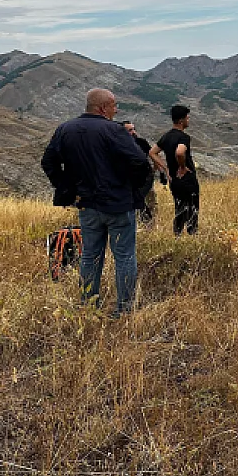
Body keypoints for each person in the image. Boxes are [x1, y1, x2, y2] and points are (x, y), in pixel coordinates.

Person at [41, 88, 153, 316]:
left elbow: (48, 162)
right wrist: (131, 188)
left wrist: (67, 190)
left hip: (87, 204)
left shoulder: (65, 129)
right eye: (114, 106)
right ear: (103, 108)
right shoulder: (114, 130)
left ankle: (89, 305)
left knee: (90, 255)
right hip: (118, 205)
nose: (116, 110)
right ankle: (125, 309)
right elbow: (140, 162)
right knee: (124, 256)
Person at [150, 104, 199, 236]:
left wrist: (165, 168)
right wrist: (182, 167)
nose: (189, 120)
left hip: (173, 179)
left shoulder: (166, 136)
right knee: (192, 208)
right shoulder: (183, 137)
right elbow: (180, 152)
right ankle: (192, 235)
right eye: (187, 118)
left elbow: (152, 152)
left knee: (179, 208)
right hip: (187, 179)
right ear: (181, 120)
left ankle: (177, 235)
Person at [123, 121, 162, 225]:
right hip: (130, 180)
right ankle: (141, 222)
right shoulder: (121, 145)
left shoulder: (141, 142)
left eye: (134, 129)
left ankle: (152, 224)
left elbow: (153, 154)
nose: (133, 132)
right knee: (137, 201)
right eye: (130, 130)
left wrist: (155, 168)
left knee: (151, 201)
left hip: (146, 177)